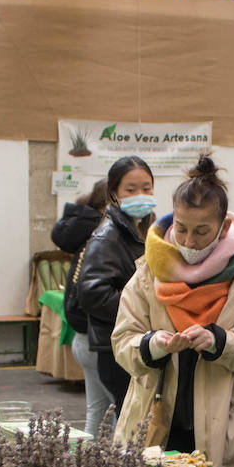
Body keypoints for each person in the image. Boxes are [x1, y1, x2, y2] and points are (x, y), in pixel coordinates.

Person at [113, 156, 234, 467]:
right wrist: (152, 345)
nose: (190, 242)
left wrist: (220, 341)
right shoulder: (150, 268)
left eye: (201, 231)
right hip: (155, 424)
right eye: (181, 228)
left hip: (226, 431)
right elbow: (123, 339)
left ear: (224, 227)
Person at [74, 156, 156, 408]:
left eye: (146, 188)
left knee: (109, 417)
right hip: (115, 346)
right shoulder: (107, 236)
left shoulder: (143, 230)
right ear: (114, 194)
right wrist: (140, 304)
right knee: (128, 420)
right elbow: (91, 294)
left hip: (133, 339)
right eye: (130, 190)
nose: (140, 195)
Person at [52, 177, 109, 436]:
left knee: (96, 412)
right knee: (123, 413)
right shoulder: (104, 234)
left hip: (83, 339)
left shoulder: (88, 233)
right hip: (100, 340)